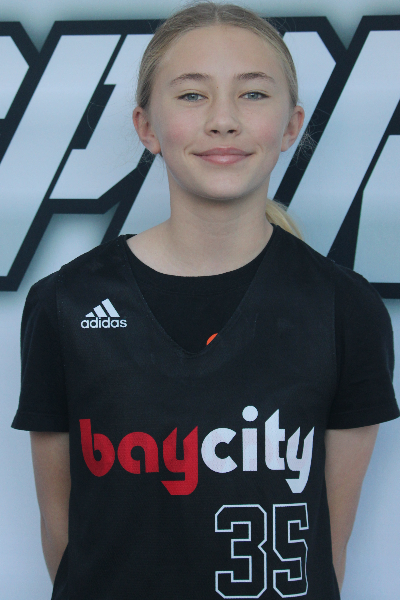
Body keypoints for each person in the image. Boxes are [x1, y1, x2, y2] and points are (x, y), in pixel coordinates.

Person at [11, 2, 399, 599]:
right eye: (192, 95)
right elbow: (65, 538)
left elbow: (325, 550)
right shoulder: (65, 303)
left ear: (291, 126)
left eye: (253, 94)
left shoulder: (345, 310)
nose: (223, 120)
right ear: (146, 126)